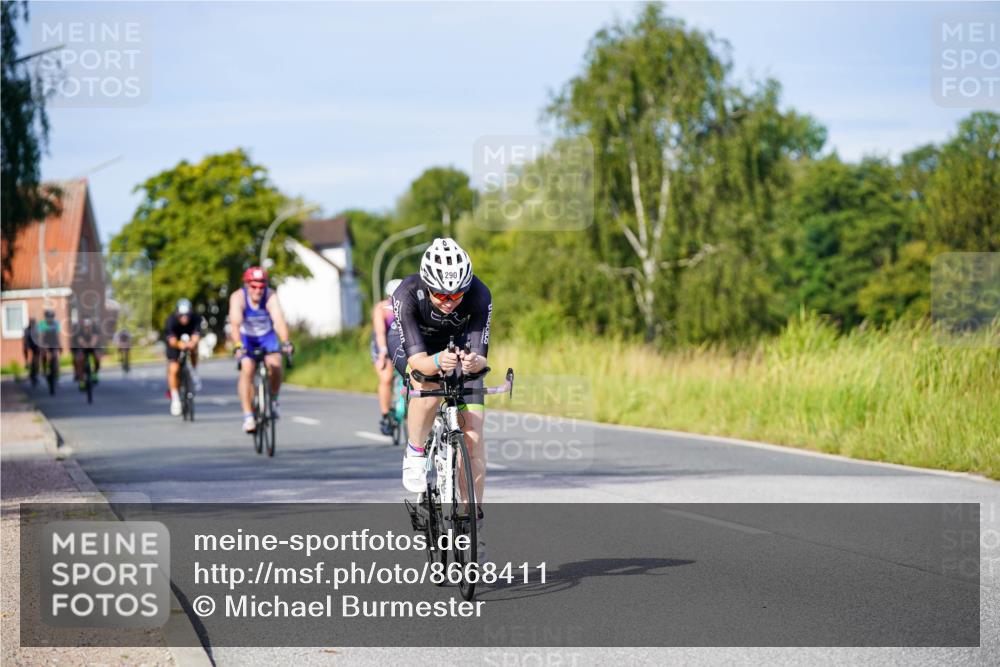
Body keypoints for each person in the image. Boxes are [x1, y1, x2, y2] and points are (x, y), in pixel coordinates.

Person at [390, 237, 491, 560]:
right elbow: (419, 362)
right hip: (417, 347)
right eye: (441, 295)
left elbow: (480, 355)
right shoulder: (407, 294)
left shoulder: (479, 294)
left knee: (473, 435)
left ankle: (468, 512)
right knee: (429, 387)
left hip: (456, 344)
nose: (449, 301)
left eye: (456, 295)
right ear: (428, 285)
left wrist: (475, 362)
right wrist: (436, 362)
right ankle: (416, 451)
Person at [229, 267, 293, 434]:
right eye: (254, 286)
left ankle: (273, 401)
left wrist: (286, 341)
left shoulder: (271, 296)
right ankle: (248, 415)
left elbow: (279, 320)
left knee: (276, 365)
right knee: (247, 368)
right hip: (246, 339)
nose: (258, 290)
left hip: (267, 337)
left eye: (261, 286)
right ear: (247, 285)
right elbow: (235, 324)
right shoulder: (238, 297)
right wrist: (237, 345)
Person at [372, 278, 403, 435]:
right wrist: (383, 353)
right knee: (386, 376)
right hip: (383, 343)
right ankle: (385, 415)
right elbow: (380, 333)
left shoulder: (409, 305)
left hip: (401, 343)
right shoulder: (381, 309)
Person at [164, 299, 202, 416]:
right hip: (175, 344)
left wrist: (192, 344)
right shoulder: (171, 321)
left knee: (194, 350)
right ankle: (175, 399)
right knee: (174, 369)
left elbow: (196, 335)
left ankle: (193, 372)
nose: (184, 318)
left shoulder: (196, 319)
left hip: (189, 341)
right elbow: (171, 340)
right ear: (177, 314)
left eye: (187, 315)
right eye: (182, 315)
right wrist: (180, 345)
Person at [72, 318, 102, 389]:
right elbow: (80, 341)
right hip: (81, 347)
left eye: (89, 326)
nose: (87, 327)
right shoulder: (79, 331)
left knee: (97, 357)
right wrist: (85, 345)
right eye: (86, 326)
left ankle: (95, 373)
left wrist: (91, 345)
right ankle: (81, 381)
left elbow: (95, 339)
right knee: (79, 360)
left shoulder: (94, 329)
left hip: (92, 346)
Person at [37, 309, 62, 379]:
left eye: (52, 317)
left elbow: (58, 335)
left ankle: (57, 372)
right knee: (43, 354)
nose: (50, 318)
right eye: (48, 317)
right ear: (45, 317)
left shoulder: (56, 323)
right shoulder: (42, 323)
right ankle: (44, 369)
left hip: (54, 342)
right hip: (45, 342)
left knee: (56, 356)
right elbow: (40, 336)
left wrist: (60, 345)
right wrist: (42, 346)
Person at [22, 318, 40, 384]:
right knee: (25, 349)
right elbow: (25, 341)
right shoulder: (26, 330)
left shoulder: (37, 329)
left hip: (36, 347)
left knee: (37, 359)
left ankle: (36, 373)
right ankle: (26, 362)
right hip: (29, 345)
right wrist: (26, 347)